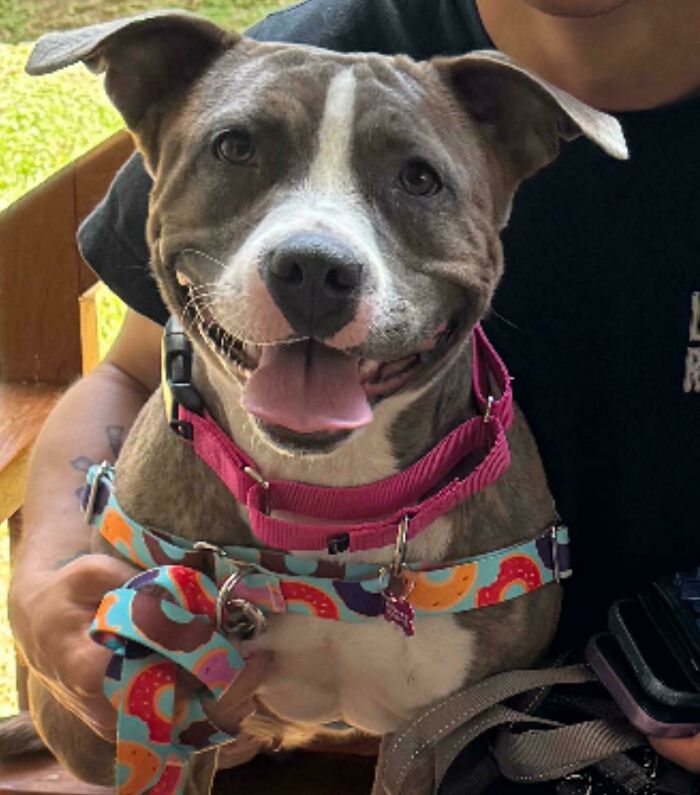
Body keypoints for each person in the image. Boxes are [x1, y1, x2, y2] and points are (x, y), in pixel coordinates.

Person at [9, 0, 700, 783]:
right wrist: (47, 577)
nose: (317, 250)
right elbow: (128, 371)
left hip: (570, 731)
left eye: (416, 177)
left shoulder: (475, 113)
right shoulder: (283, 61)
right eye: (239, 149)